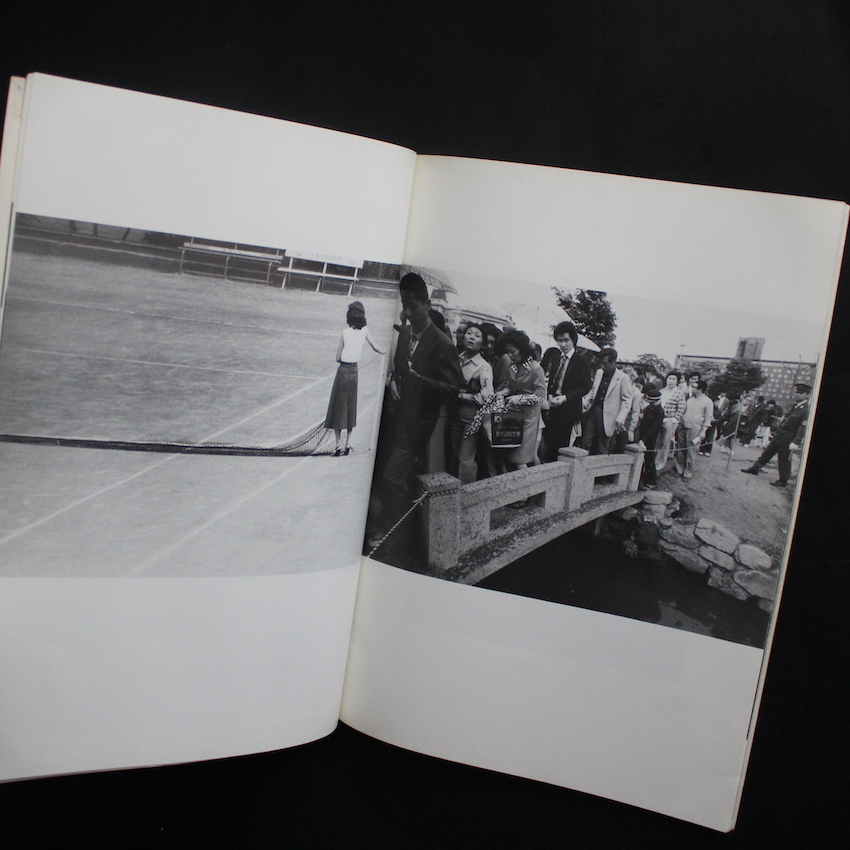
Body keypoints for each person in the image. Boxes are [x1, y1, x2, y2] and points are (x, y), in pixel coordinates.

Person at [379, 273, 465, 528]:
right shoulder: (404, 333)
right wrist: (395, 380)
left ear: (427, 305)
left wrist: (420, 381)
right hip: (396, 415)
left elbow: (452, 389)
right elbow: (399, 368)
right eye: (404, 305)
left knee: (391, 477)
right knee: (396, 474)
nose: (407, 313)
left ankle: (400, 529)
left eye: (413, 306)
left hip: (418, 423)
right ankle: (408, 521)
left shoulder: (443, 344)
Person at [324, 301, 385, 455]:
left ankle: (338, 445)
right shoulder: (364, 331)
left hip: (343, 371)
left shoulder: (345, 332)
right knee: (351, 406)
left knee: (339, 407)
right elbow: (375, 346)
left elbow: (337, 357)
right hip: (354, 372)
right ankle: (348, 443)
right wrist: (384, 351)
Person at [493, 330, 547, 471]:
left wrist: (520, 398)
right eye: (508, 352)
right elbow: (510, 387)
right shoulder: (513, 366)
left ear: (522, 350)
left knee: (520, 458)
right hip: (513, 415)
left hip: (529, 417)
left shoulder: (536, 368)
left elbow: (540, 396)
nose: (510, 355)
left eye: (513, 352)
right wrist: (500, 394)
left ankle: (530, 484)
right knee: (509, 456)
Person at [540, 321, 593, 462]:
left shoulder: (581, 360)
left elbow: (586, 386)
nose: (562, 344)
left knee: (563, 448)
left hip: (569, 410)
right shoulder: (556, 357)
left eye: (566, 340)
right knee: (549, 445)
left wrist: (566, 397)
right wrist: (549, 395)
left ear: (573, 340)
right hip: (553, 409)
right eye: (559, 340)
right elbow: (553, 380)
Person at [741, 383, 811, 487]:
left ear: (807, 395)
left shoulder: (806, 410)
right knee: (766, 453)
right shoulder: (795, 406)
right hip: (779, 435)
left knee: (784, 460)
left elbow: (803, 427)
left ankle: (783, 480)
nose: (797, 394)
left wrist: (796, 442)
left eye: (800, 393)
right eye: (796, 392)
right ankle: (755, 468)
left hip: (788, 439)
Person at [450, 323, 494, 484]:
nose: (471, 338)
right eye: (469, 333)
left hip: (472, 415)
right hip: (454, 411)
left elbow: (487, 396)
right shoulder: (457, 358)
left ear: (483, 344)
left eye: (477, 336)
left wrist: (463, 396)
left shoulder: (484, 367)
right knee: (453, 453)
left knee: (465, 457)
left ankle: (466, 491)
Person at [581, 348, 633, 455]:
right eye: (600, 363)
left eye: (605, 363)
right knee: (585, 441)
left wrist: (621, 418)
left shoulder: (623, 377)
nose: (602, 366)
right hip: (594, 411)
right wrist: (585, 403)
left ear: (613, 362)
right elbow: (593, 391)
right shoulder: (599, 373)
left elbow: (627, 400)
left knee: (602, 446)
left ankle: (600, 465)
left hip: (609, 416)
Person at [674, 380, 714, 479]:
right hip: (683, 427)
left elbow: (708, 417)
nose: (691, 389)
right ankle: (679, 469)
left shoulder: (708, 401)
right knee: (680, 449)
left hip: (695, 428)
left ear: (700, 389)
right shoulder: (690, 400)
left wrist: (703, 431)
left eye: (694, 387)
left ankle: (688, 472)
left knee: (691, 451)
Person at [655, 371, 686, 470]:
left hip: (670, 420)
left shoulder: (679, 393)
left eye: (673, 379)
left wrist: (675, 418)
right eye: (669, 379)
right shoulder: (662, 391)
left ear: (677, 381)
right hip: (659, 418)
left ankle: (660, 463)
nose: (671, 381)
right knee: (656, 440)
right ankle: (653, 460)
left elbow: (682, 408)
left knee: (665, 442)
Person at [636, 384, 664, 488]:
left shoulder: (660, 412)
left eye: (652, 402)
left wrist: (643, 440)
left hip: (650, 438)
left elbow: (653, 428)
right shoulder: (648, 408)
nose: (650, 404)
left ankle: (651, 481)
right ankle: (639, 477)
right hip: (642, 435)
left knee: (649, 459)